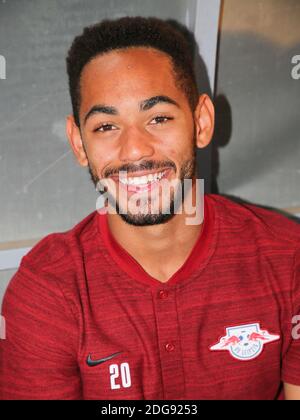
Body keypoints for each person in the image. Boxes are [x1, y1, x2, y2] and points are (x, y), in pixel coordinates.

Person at [0, 16, 300, 401]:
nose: (135, 150)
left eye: (158, 118)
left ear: (201, 121)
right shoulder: (47, 293)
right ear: (78, 143)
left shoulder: (288, 257)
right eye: (106, 126)